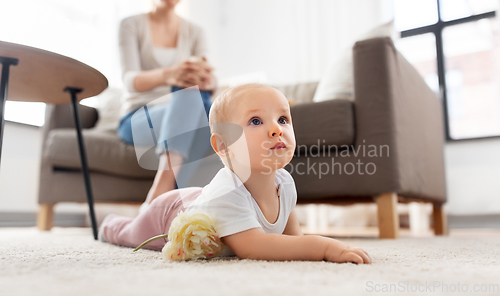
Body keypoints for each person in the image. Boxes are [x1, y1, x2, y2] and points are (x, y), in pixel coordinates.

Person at [100, 84, 372, 264]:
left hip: (203, 197)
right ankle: (110, 224)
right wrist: (324, 248)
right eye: (256, 121)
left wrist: (311, 248)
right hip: (170, 209)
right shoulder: (228, 193)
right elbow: (253, 247)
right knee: (129, 233)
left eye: (283, 119)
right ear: (224, 146)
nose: (276, 129)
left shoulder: (285, 183)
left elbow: (292, 242)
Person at [117, 0, 216, 205]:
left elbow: (212, 79)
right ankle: (163, 191)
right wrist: (170, 75)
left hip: (189, 109)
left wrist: (207, 79)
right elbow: (129, 80)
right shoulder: (131, 25)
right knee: (196, 101)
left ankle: (165, 203)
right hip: (138, 117)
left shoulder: (195, 31)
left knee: (202, 102)